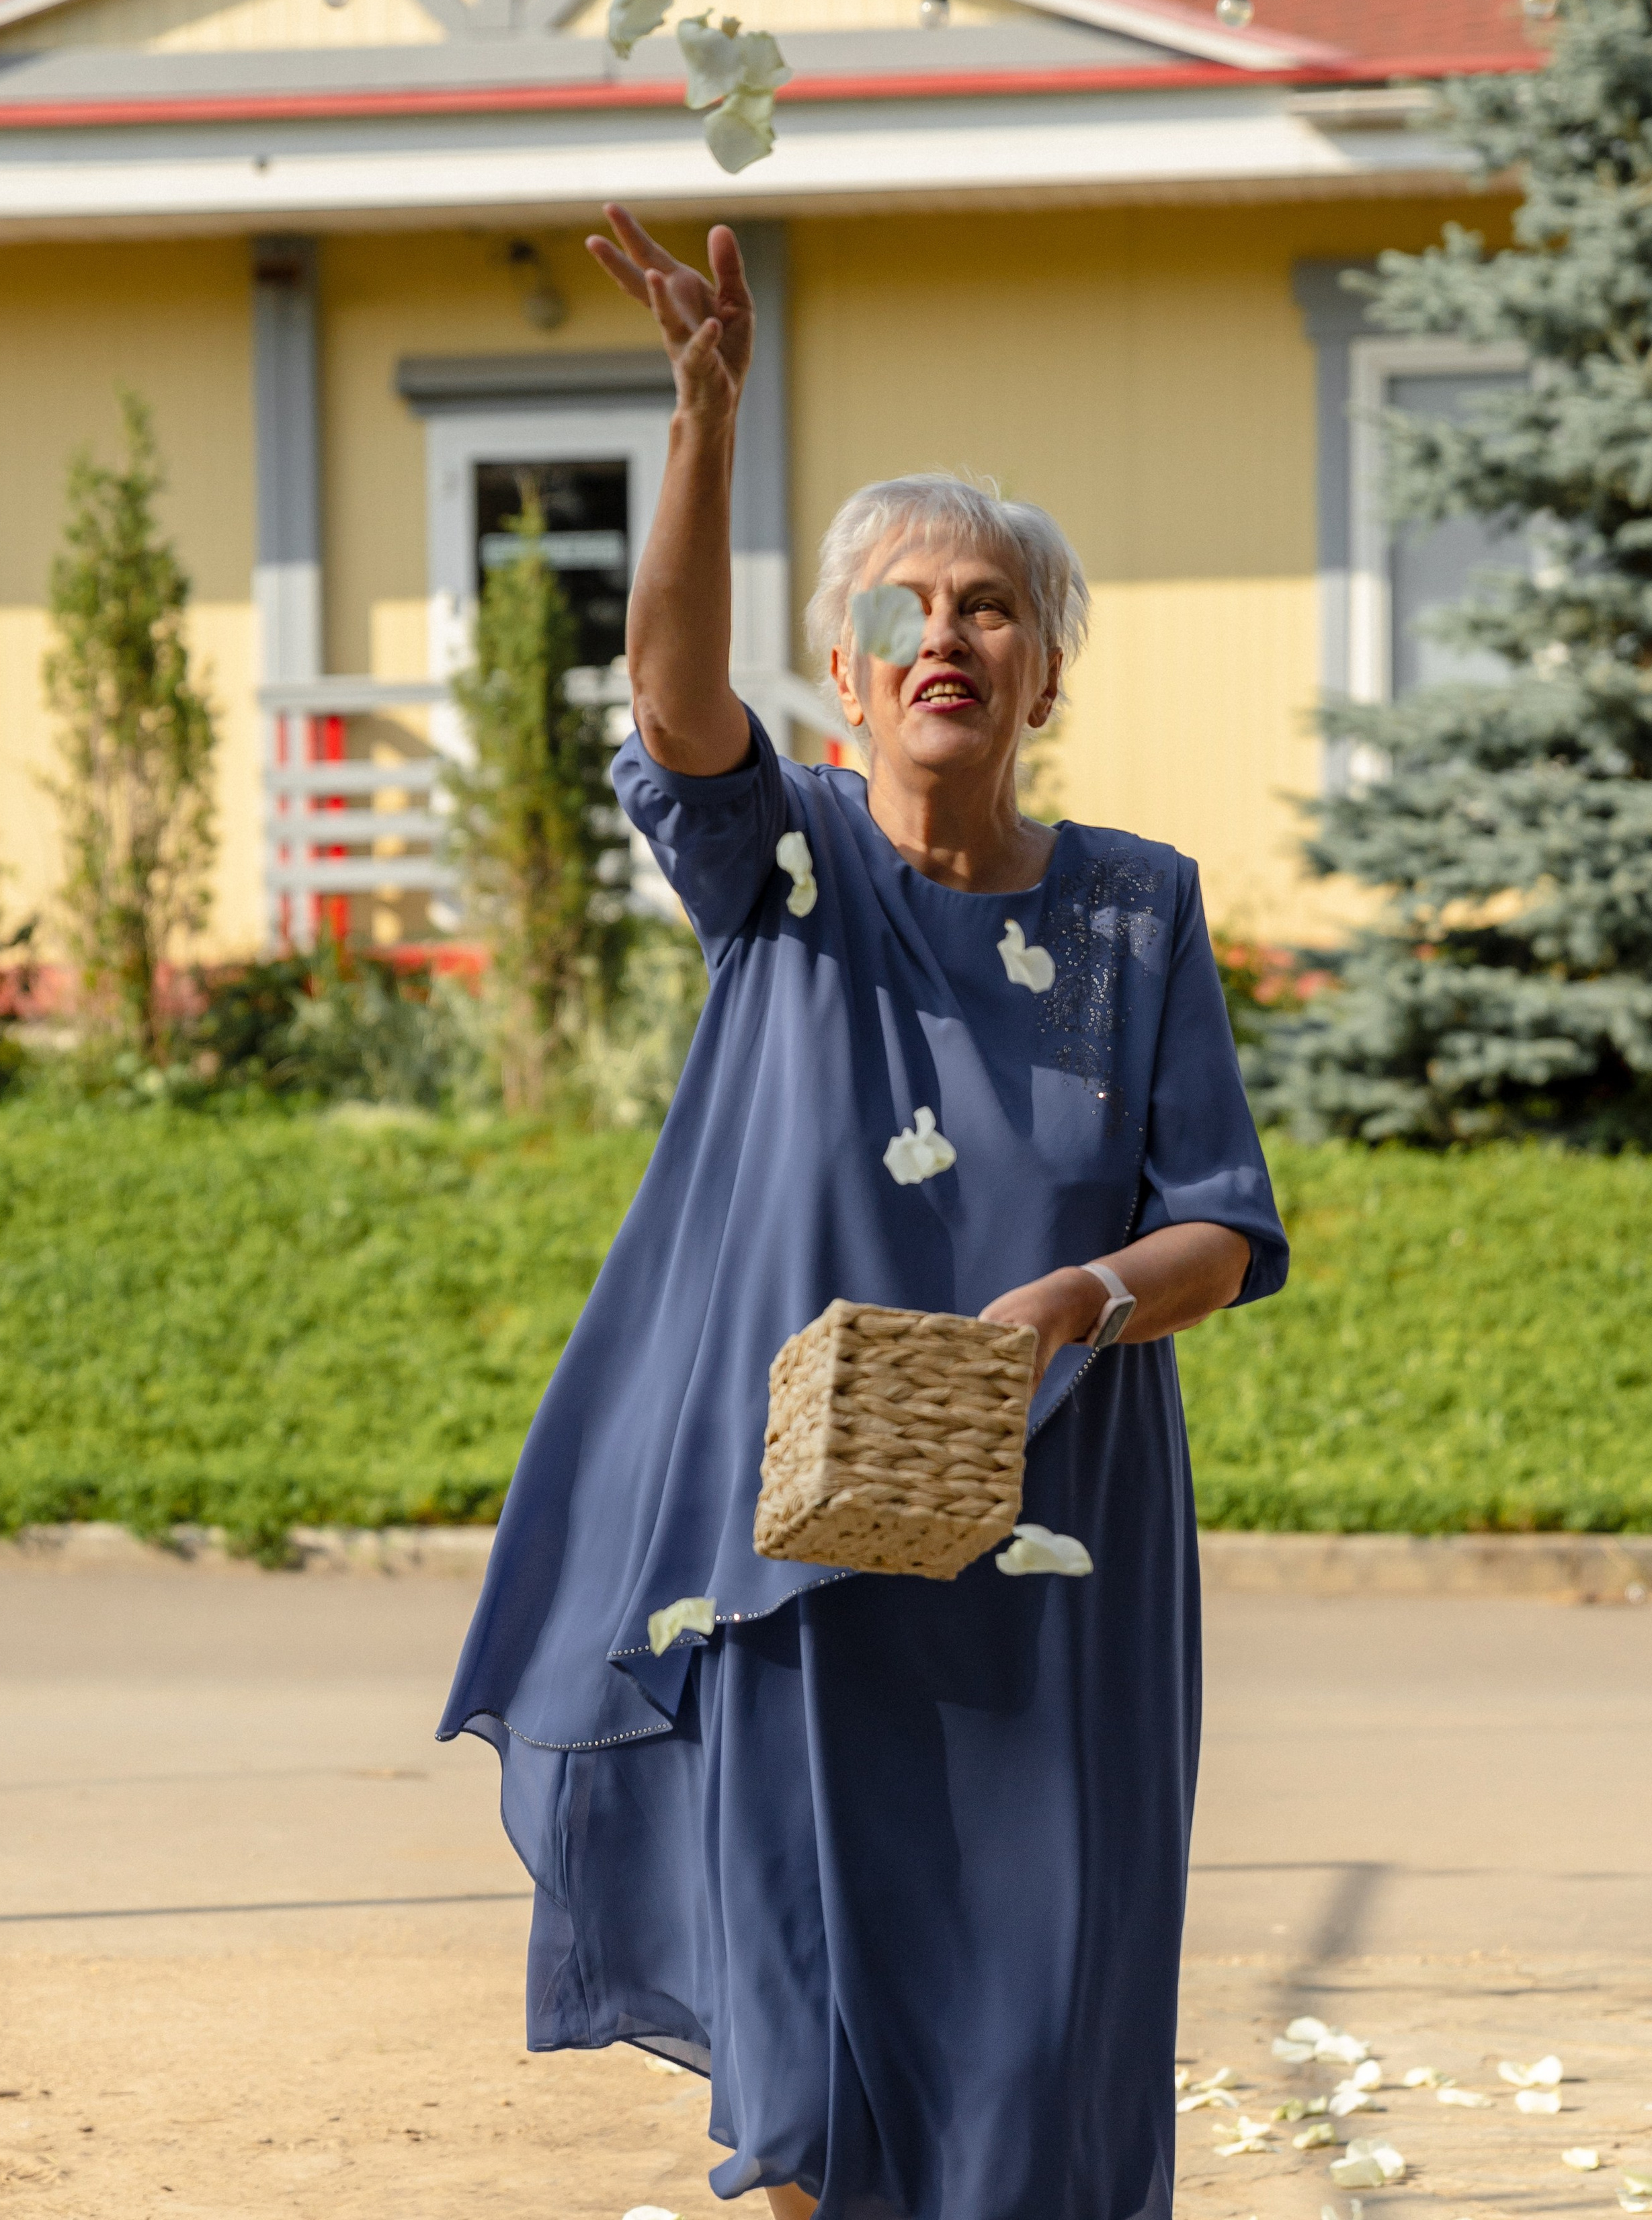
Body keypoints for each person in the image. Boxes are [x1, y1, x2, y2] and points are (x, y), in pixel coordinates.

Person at [438, 208, 1289, 2220]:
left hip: (1056, 1564)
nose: (946, 638)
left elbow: (1225, 1228)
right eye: (905, 609)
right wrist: (703, 412)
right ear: (841, 671)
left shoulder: (1134, 909)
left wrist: (1067, 1305)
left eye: (989, 607)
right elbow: (662, 696)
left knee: (1042, 2017)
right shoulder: (787, 861)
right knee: (816, 2071)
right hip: (794, 1557)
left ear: (1044, 665)